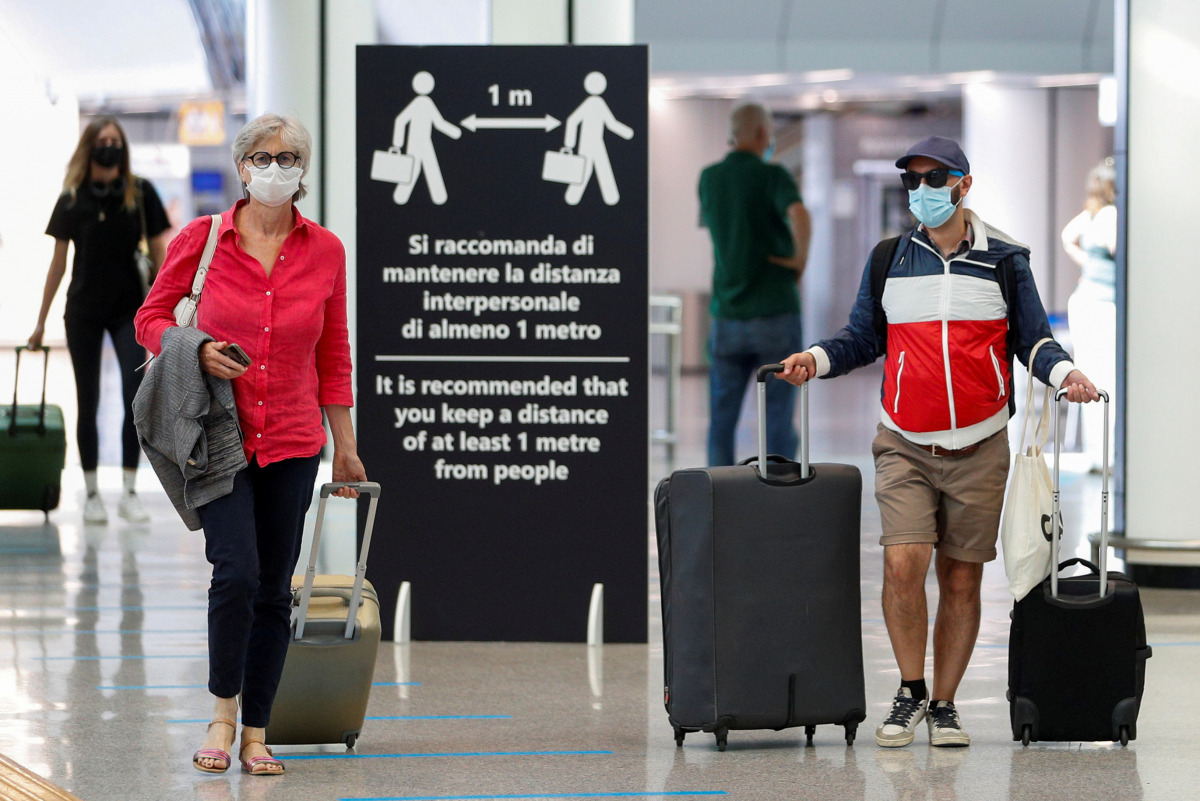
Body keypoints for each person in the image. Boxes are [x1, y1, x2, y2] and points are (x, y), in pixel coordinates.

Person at [778, 136, 1100, 748]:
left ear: (963, 184)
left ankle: (946, 704)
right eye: (913, 181)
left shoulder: (1006, 259)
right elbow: (863, 337)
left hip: (980, 444)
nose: (922, 191)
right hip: (903, 441)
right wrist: (816, 360)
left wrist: (1065, 375)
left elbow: (1033, 340)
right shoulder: (888, 259)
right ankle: (909, 691)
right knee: (904, 563)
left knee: (961, 577)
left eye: (935, 178)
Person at [134, 113, 367, 776]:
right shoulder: (204, 239)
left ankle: (258, 731)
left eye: (287, 156)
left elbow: (334, 352)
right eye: (261, 156)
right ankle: (221, 712)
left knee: (273, 588)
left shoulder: (326, 251)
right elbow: (149, 317)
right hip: (219, 437)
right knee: (234, 570)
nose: (274, 166)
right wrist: (194, 347)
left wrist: (344, 444)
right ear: (242, 168)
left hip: (294, 438)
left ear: (303, 169)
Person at [29, 115, 171, 525]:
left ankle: (129, 491)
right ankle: (91, 493)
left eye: (115, 140)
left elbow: (162, 251)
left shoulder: (140, 192)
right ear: (90, 146)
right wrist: (40, 321)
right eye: (102, 139)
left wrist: (167, 304)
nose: (109, 146)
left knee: (134, 395)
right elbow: (58, 264)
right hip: (84, 310)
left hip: (130, 311)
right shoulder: (72, 198)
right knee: (87, 399)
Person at [699, 102, 811, 465]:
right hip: (775, 311)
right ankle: (778, 498)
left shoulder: (710, 178)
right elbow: (800, 213)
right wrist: (799, 260)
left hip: (726, 314)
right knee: (777, 415)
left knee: (721, 419)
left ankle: (717, 497)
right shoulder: (772, 175)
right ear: (763, 133)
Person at [1061, 160, 1117, 472]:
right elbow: (1121, 252)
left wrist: (1088, 266)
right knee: (1106, 378)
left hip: (1084, 301)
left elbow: (1067, 237)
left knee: (1090, 377)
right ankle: (1108, 456)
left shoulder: (1092, 213)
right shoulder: (1111, 215)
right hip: (1105, 305)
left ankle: (1099, 455)